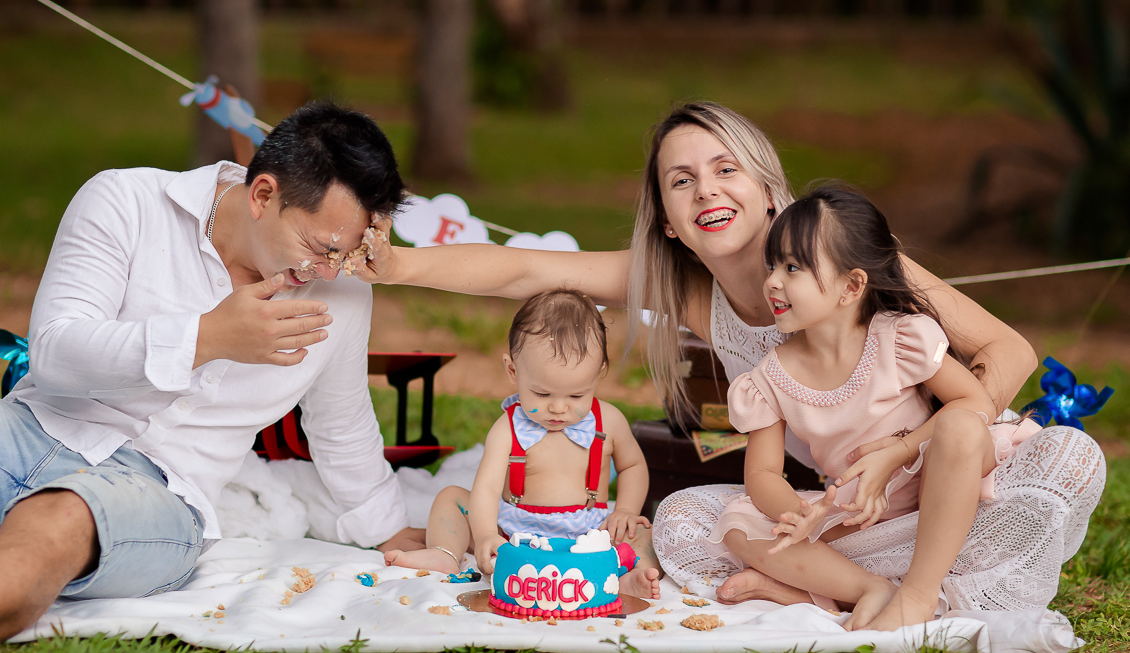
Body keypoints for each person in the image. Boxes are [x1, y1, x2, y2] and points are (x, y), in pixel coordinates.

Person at [348, 101, 1106, 614]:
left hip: (948, 468)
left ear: (766, 187)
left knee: (1068, 460)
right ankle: (877, 583)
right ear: (671, 223)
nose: (705, 189)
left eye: (724, 169)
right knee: (679, 520)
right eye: (682, 182)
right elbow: (526, 272)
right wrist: (400, 266)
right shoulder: (684, 287)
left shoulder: (844, 259)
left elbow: (1010, 349)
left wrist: (909, 446)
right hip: (845, 502)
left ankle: (897, 580)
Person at [0, 102, 425, 647]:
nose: (330, 272)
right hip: (24, 438)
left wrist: (389, 528)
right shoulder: (127, 200)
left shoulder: (343, 293)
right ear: (263, 195)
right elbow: (55, 350)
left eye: (348, 252)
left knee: (69, 516)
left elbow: (342, 421)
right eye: (320, 249)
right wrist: (207, 337)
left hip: (158, 498)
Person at [708, 185, 1041, 630]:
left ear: (852, 286)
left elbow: (975, 400)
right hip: (865, 512)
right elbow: (763, 475)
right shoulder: (769, 379)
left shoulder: (899, 337)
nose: (772, 281)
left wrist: (899, 452)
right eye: (772, 265)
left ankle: (918, 597)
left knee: (961, 426)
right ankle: (870, 589)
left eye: (792, 267)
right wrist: (797, 513)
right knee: (736, 525)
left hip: (942, 480)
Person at [383, 289, 661, 599]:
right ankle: (444, 553)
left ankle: (622, 578)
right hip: (514, 535)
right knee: (453, 498)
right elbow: (487, 488)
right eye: (542, 395)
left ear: (599, 374)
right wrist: (488, 534)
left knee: (646, 532)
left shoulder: (609, 420)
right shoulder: (508, 427)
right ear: (513, 371)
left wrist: (624, 509)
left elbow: (632, 465)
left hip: (589, 535)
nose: (558, 408)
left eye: (576, 396)